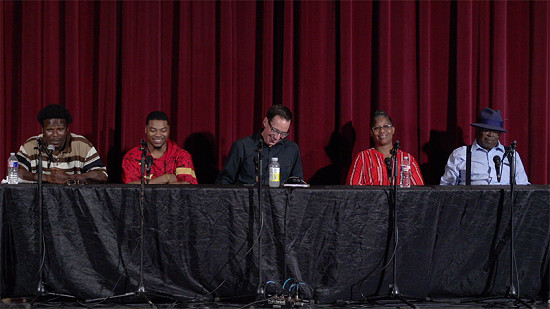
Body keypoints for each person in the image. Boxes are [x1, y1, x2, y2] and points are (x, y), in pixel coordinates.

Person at [17, 104, 108, 184]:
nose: (55, 134)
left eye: (60, 129)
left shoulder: (81, 144)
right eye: (49, 130)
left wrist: (69, 178)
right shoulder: (32, 145)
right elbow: (15, 172)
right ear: (42, 130)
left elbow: (102, 175)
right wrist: (45, 177)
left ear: (67, 129)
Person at [215, 104, 303, 185]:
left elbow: (297, 184)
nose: (277, 137)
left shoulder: (291, 149)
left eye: (283, 134)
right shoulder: (242, 146)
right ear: (265, 122)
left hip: (279, 201)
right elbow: (224, 181)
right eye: (275, 131)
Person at [440, 107, 529, 185]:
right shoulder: (460, 154)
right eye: (487, 130)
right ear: (478, 130)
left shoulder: (511, 155)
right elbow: (446, 187)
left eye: (495, 131)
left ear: (499, 134)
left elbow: (523, 187)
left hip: (504, 203)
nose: (491, 134)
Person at [347, 110, 424, 186]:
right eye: (377, 128)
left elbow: (420, 192)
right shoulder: (362, 158)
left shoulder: (407, 159)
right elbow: (352, 191)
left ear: (393, 130)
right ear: (371, 133)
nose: (382, 130)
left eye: (386, 126)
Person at [122, 111, 197, 184]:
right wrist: (165, 178)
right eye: (153, 130)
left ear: (169, 130)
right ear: (145, 129)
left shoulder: (181, 156)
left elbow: (188, 187)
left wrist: (147, 184)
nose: (158, 134)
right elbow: (130, 189)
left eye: (163, 130)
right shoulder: (132, 156)